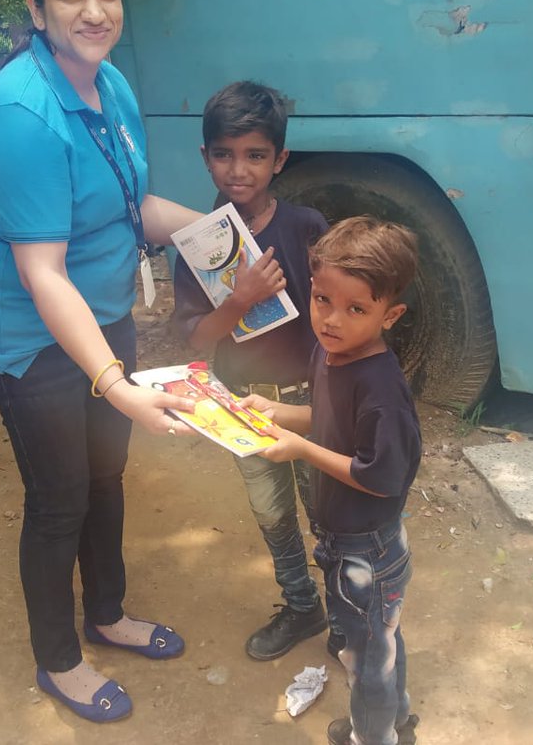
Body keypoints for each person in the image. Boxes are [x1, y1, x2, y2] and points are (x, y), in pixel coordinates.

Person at [0, 0, 201, 725]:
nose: (94, 11)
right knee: (59, 497)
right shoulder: (22, 115)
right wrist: (117, 385)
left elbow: (133, 210)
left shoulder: (110, 84)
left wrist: (222, 236)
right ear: (36, 9)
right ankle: (59, 659)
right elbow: (41, 271)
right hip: (34, 341)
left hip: (101, 315)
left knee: (105, 479)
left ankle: (109, 613)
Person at [243, 217, 423, 745]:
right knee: (379, 643)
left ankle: (373, 737)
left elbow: (380, 476)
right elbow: (325, 418)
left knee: (369, 657)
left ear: (390, 315)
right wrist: (277, 412)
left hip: (369, 549)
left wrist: (300, 450)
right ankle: (397, 721)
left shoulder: (381, 390)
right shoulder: (332, 354)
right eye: (322, 300)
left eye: (356, 309)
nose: (332, 320)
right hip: (346, 540)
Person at [171, 81, 332, 660]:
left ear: (279, 159)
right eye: (224, 154)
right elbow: (195, 335)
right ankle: (301, 605)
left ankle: (344, 616)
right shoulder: (198, 243)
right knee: (271, 512)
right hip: (241, 404)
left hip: (309, 401)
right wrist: (237, 302)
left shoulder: (307, 227)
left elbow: (336, 317)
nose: (238, 170)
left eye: (255, 155)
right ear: (206, 156)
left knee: (327, 510)